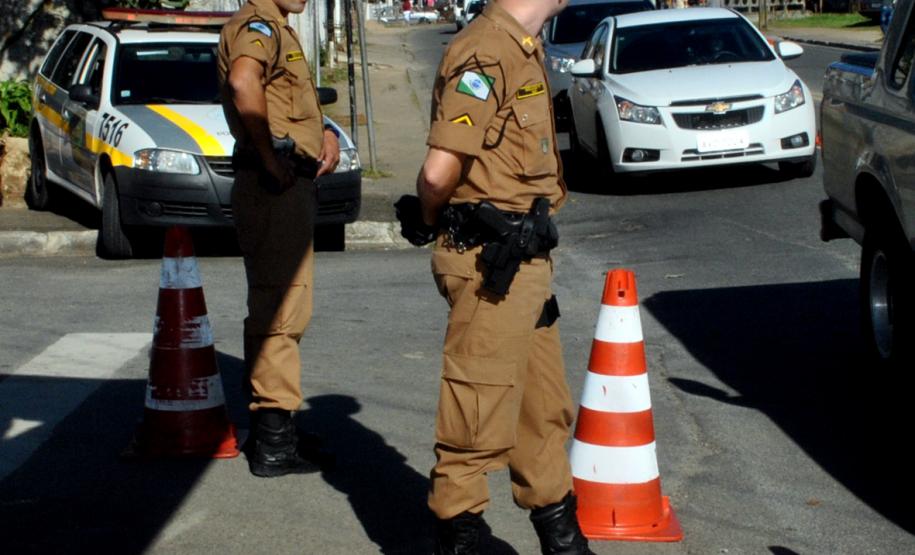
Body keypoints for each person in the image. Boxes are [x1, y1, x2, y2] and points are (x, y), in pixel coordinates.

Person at [395, 0, 593, 552]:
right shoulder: (485, 50)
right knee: (476, 418)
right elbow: (439, 171)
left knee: (542, 410)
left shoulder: (521, 47)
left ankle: (561, 537)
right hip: (491, 263)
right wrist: (431, 219)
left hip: (526, 264)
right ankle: (459, 533)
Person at [217, 0, 340, 478]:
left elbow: (286, 101)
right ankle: (273, 441)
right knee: (280, 311)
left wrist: (324, 131)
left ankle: (276, 425)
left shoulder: (278, 27)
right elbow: (243, 81)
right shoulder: (259, 27)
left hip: (287, 185)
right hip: (274, 188)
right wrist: (269, 157)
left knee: (283, 306)